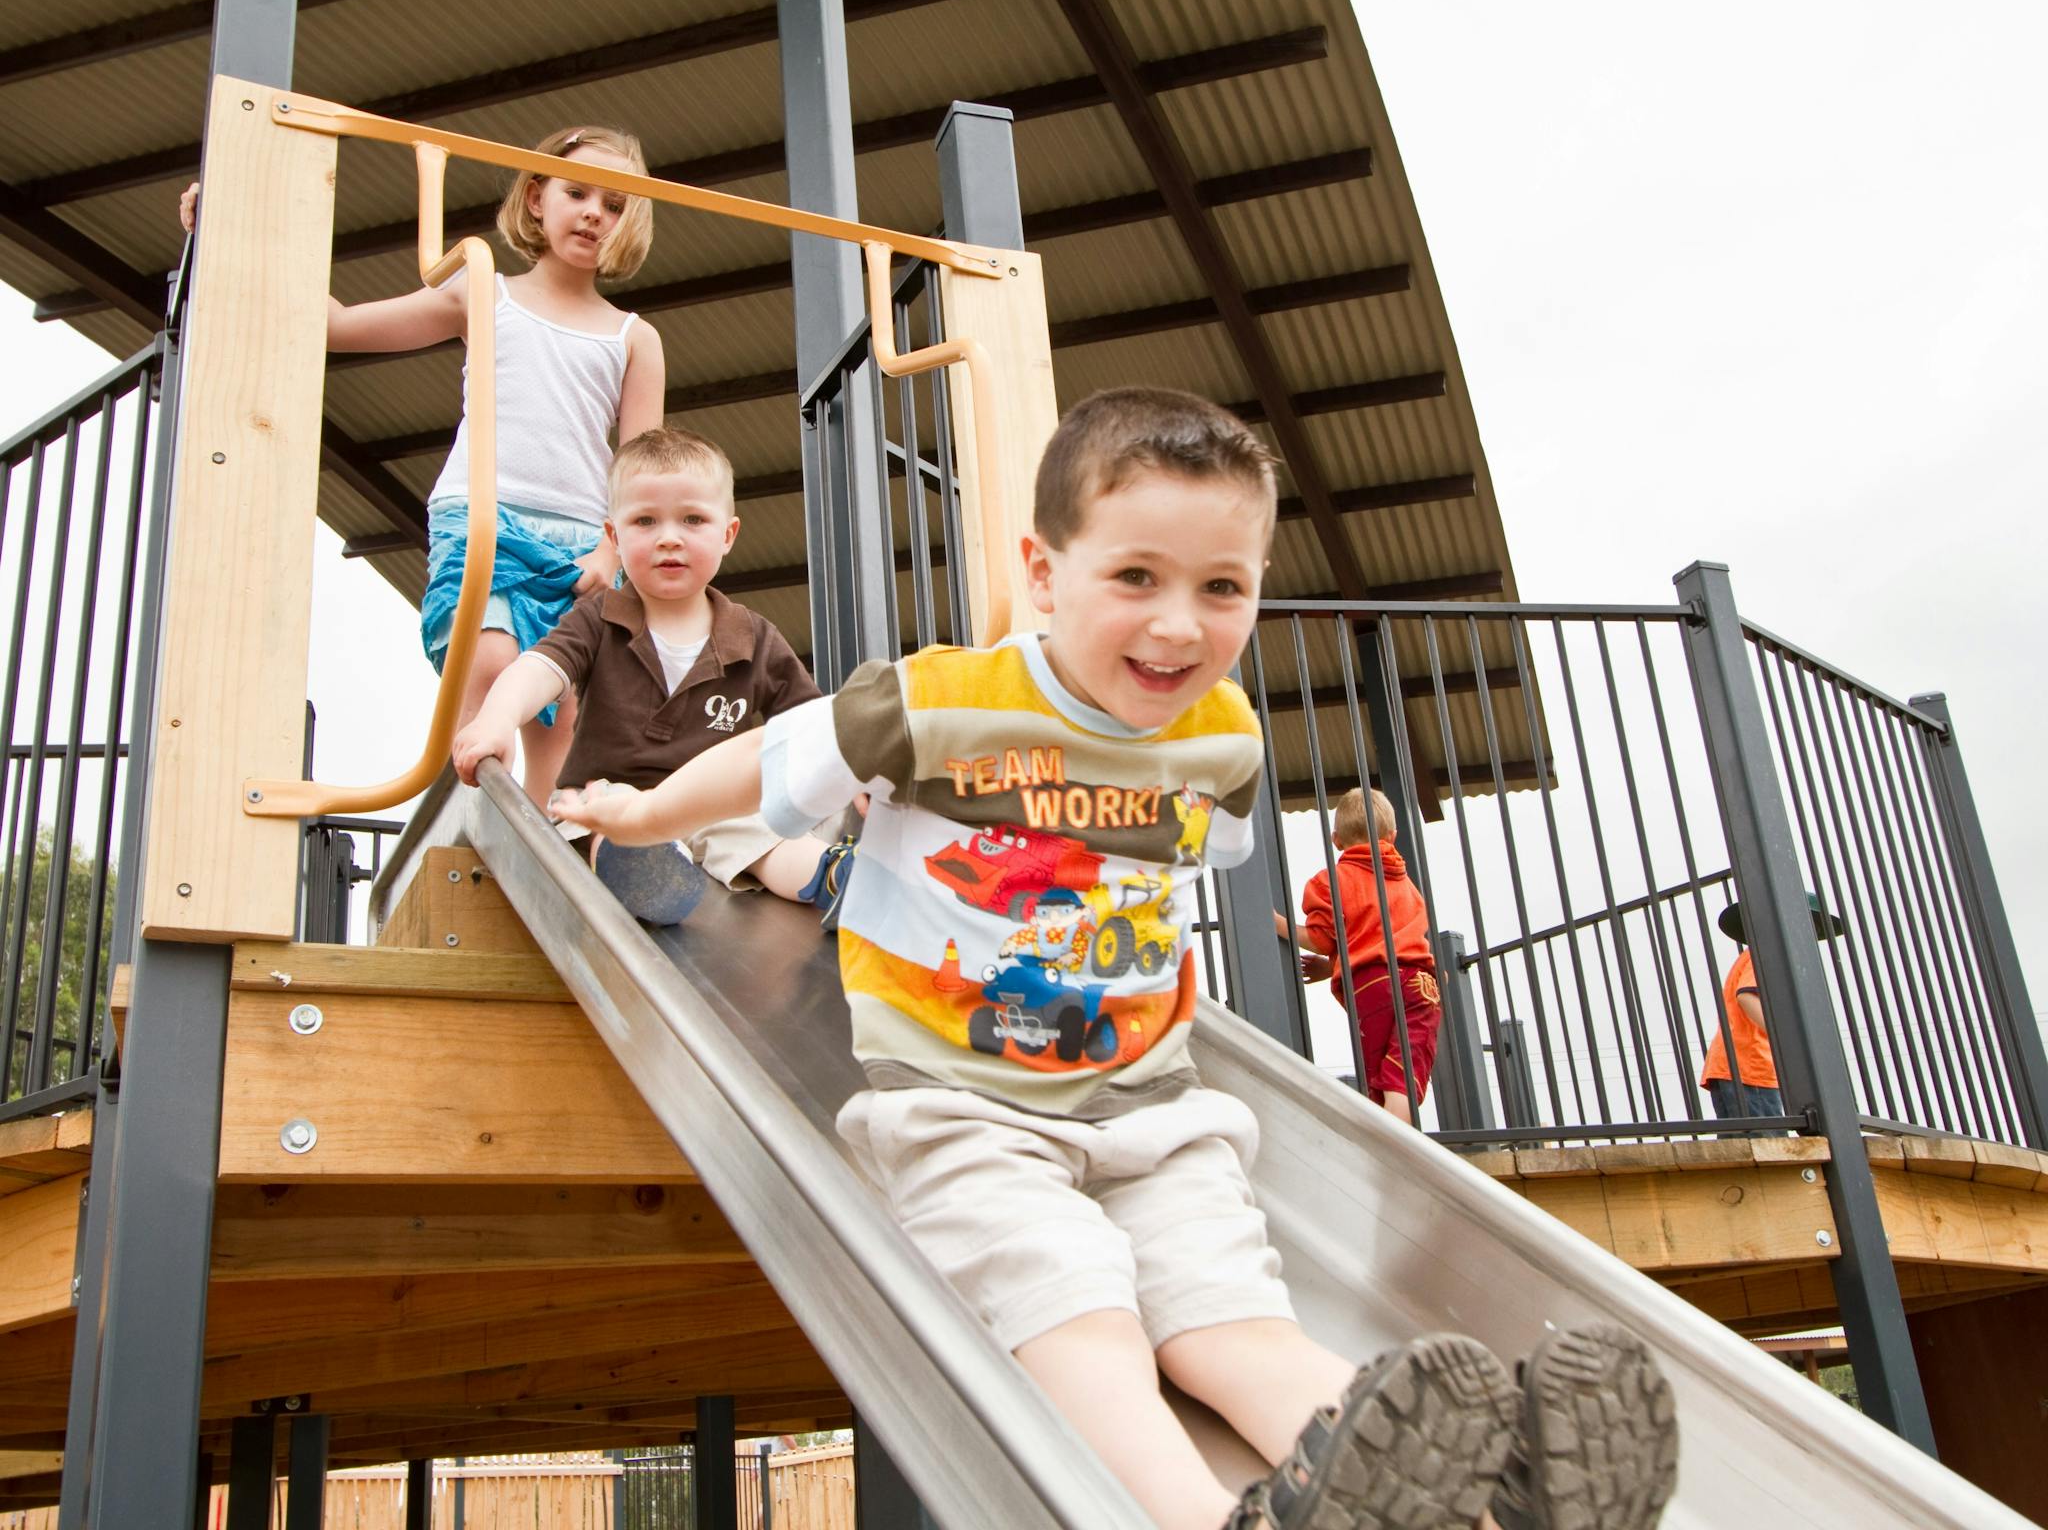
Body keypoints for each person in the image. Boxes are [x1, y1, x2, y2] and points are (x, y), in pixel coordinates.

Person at [554, 388, 1677, 1530]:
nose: (1178, 626)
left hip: (1153, 1109)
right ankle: (1204, 1519)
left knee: (1231, 1322)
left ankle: (1495, 1499)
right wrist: (640, 816)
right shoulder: (939, 702)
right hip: (963, 1112)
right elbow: (763, 762)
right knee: (1074, 1315)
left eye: (1220, 587)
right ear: (1044, 575)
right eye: (1135, 577)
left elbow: (1204, 844)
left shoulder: (1222, 734)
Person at [183, 123, 667, 807]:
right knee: (493, 661)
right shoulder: (483, 292)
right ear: (536, 199)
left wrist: (612, 548)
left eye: (614, 204)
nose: (594, 212)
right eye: (576, 192)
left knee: (559, 716)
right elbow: (337, 323)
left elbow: (641, 466)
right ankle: (465, 823)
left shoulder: (632, 336)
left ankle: (550, 853)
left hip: (577, 540)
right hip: (483, 517)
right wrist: (230, 233)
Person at [451, 427, 850, 924]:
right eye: (645, 520)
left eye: (692, 519)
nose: (669, 537)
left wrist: (857, 779)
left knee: (761, 832)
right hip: (610, 798)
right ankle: (641, 876)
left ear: (727, 535)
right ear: (614, 538)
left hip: (709, 805)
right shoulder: (599, 618)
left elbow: (812, 726)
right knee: (605, 815)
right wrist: (496, 718)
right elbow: (539, 669)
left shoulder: (752, 637)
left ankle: (839, 878)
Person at [1276, 787, 1441, 1128]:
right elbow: (1394, 938)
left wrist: (1279, 925)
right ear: (1392, 837)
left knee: (1377, 1078)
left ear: (1336, 839)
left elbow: (1324, 938)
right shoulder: (1404, 882)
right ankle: (1402, 1149)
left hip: (1370, 988)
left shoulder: (1330, 882)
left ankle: (1387, 1151)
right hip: (1419, 983)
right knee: (1403, 1075)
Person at [1700, 891, 1844, 1126]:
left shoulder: (1756, 956)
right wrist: (1784, 1037)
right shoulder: (1766, 954)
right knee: (1766, 1138)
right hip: (1750, 1067)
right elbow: (1747, 996)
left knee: (1743, 1147)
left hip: (1736, 1067)